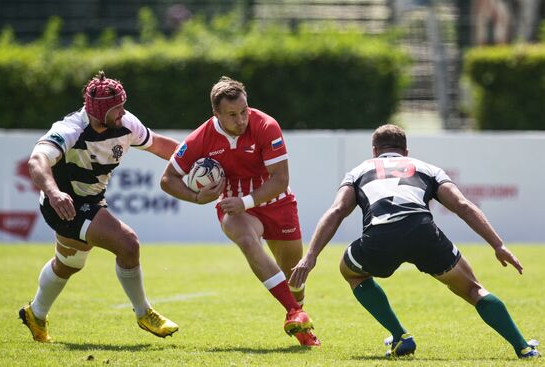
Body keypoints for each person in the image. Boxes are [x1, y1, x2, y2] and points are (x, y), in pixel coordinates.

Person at [289, 124, 540, 358]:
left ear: (375, 151)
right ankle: (524, 348)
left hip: (380, 236)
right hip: (423, 231)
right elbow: (462, 205)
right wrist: (498, 245)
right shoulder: (427, 168)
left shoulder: (359, 170)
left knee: (351, 272)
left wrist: (310, 256)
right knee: (474, 289)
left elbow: (337, 211)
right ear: (406, 151)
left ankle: (400, 336)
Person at [20, 71, 180, 342]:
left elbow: (161, 146)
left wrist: (197, 159)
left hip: (90, 201)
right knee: (128, 243)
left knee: (69, 263)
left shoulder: (126, 123)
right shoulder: (70, 129)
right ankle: (144, 312)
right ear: (98, 111)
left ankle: (36, 313)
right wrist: (54, 192)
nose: (122, 113)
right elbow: (37, 162)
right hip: (61, 204)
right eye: (116, 109)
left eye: (122, 106)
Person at [160, 76, 320, 346]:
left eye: (244, 110)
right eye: (232, 115)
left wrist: (245, 201)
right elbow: (167, 180)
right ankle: (295, 312)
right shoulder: (201, 138)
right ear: (216, 114)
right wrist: (198, 198)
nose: (241, 119)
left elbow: (280, 179)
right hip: (235, 208)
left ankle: (298, 314)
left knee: (295, 278)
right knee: (247, 239)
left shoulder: (266, 126)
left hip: (277, 202)